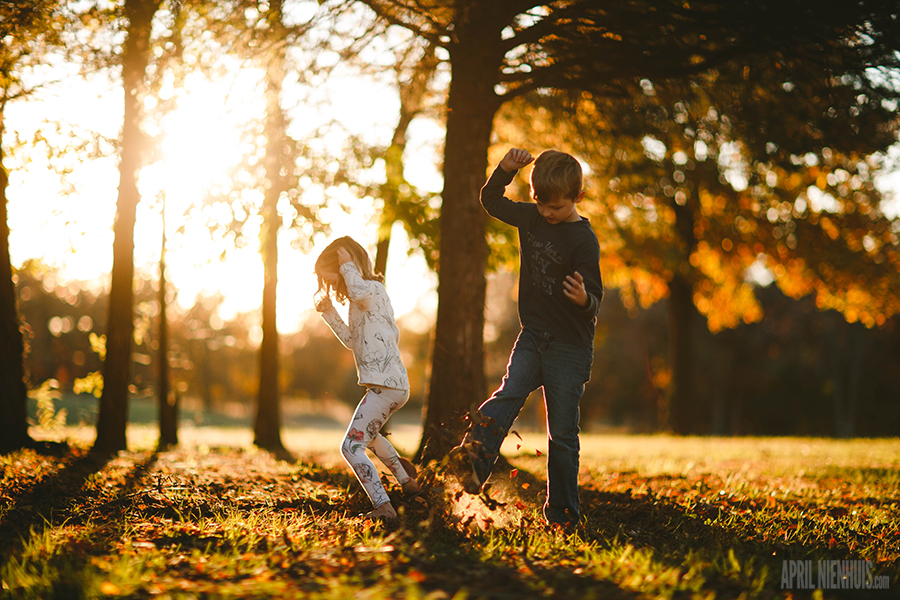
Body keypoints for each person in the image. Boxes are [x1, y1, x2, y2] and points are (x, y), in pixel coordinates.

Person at [451, 148, 603, 528]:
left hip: (569, 346)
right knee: (509, 393)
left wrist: (584, 298)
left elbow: (595, 303)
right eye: (541, 204)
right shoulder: (532, 218)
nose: (547, 213)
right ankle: (474, 461)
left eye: (556, 207)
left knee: (563, 435)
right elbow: (490, 200)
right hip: (534, 337)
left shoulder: (584, 240)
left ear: (577, 198)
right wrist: (505, 169)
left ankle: (563, 513)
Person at [314, 236, 421, 520]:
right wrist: (329, 313)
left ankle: (383, 507)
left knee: (350, 447)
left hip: (386, 386)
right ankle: (408, 483)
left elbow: (359, 291)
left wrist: (346, 264)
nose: (334, 287)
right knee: (370, 437)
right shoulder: (358, 301)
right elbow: (351, 340)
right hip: (390, 385)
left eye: (332, 280)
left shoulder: (371, 289)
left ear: (347, 264)